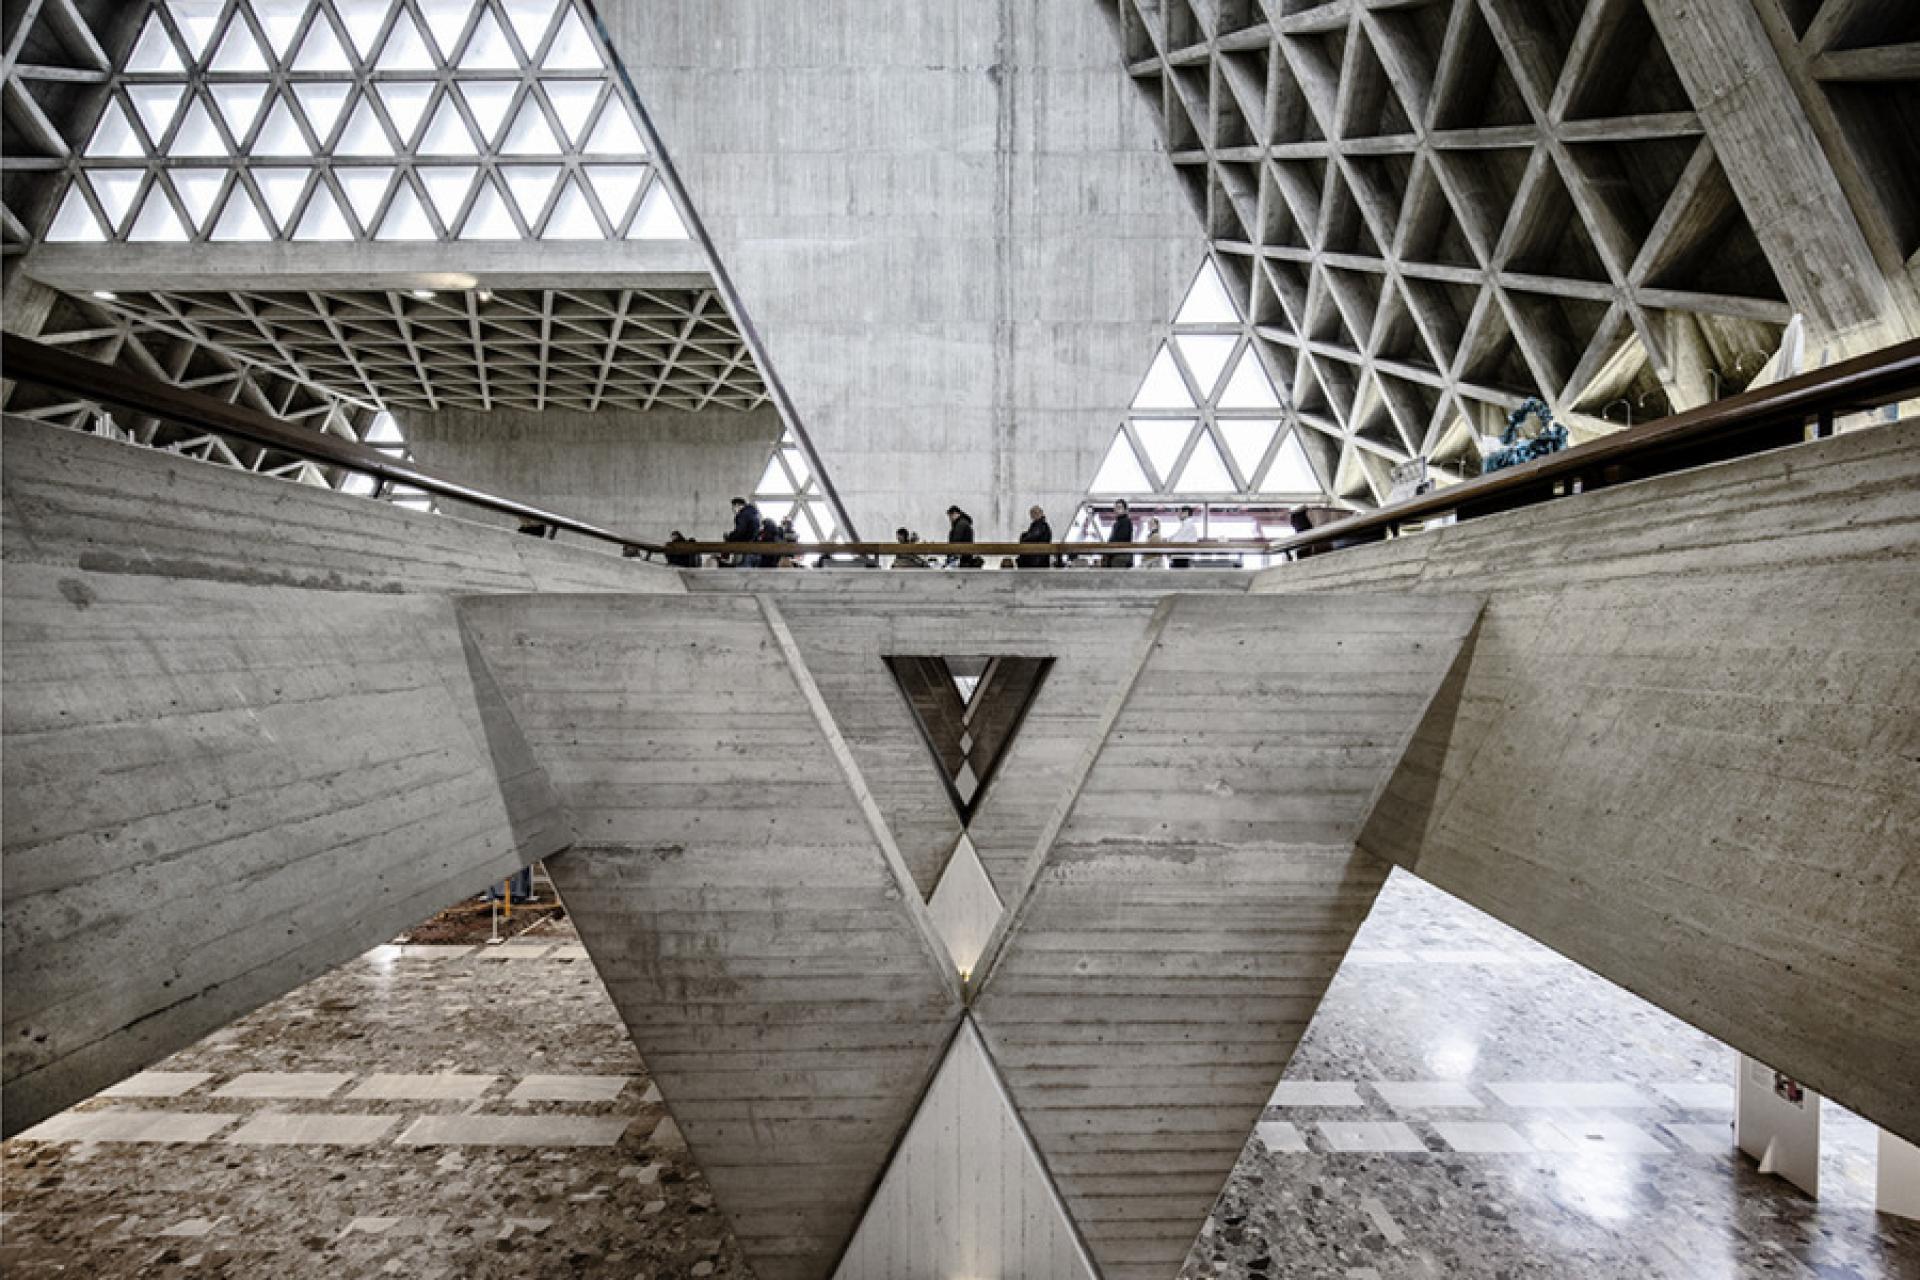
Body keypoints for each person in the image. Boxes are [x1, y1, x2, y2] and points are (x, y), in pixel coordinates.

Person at [724, 497, 760, 567]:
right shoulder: (754, 513)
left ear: (737, 505)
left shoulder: (742, 515)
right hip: (754, 548)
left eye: (733, 507)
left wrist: (730, 537)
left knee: (740, 571)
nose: (733, 510)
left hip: (744, 548)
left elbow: (740, 532)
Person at [1103, 499, 1134, 568]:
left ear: (1125, 510)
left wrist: (1109, 544)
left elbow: (1122, 538)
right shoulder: (1118, 523)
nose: (1116, 510)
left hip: (1121, 556)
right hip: (1117, 555)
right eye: (1116, 508)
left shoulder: (1126, 521)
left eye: (1119, 508)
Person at [1170, 505, 1198, 569]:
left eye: (1179, 512)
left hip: (1182, 557)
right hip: (1182, 556)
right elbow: (1174, 537)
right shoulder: (1186, 524)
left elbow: (1177, 540)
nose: (1178, 515)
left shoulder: (1188, 525)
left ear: (1186, 513)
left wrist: (1170, 540)